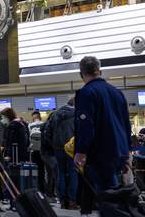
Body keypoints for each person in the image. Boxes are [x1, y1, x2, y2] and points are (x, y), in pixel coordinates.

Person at [74, 56, 131, 210]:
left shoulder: (86, 93)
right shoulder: (117, 93)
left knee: (107, 197)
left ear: (81, 74)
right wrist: (127, 152)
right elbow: (126, 124)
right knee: (117, 192)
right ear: (100, 71)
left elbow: (86, 125)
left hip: (100, 153)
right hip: (119, 151)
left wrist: (80, 151)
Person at [45, 97, 77, 209]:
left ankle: (63, 201)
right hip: (72, 148)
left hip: (58, 148)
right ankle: (72, 201)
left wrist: (53, 143)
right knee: (73, 173)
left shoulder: (55, 114)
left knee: (61, 174)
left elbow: (47, 131)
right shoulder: (76, 114)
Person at [40, 112, 58, 199]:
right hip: (49, 153)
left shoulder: (44, 125)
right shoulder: (49, 126)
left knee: (49, 174)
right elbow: (48, 140)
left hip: (45, 153)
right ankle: (51, 193)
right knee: (54, 173)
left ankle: (49, 193)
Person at [27, 110, 46, 193]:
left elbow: (28, 139)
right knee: (43, 171)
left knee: (35, 171)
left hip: (34, 151)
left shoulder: (30, 125)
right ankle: (44, 190)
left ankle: (37, 189)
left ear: (33, 117)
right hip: (43, 150)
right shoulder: (44, 124)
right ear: (39, 117)